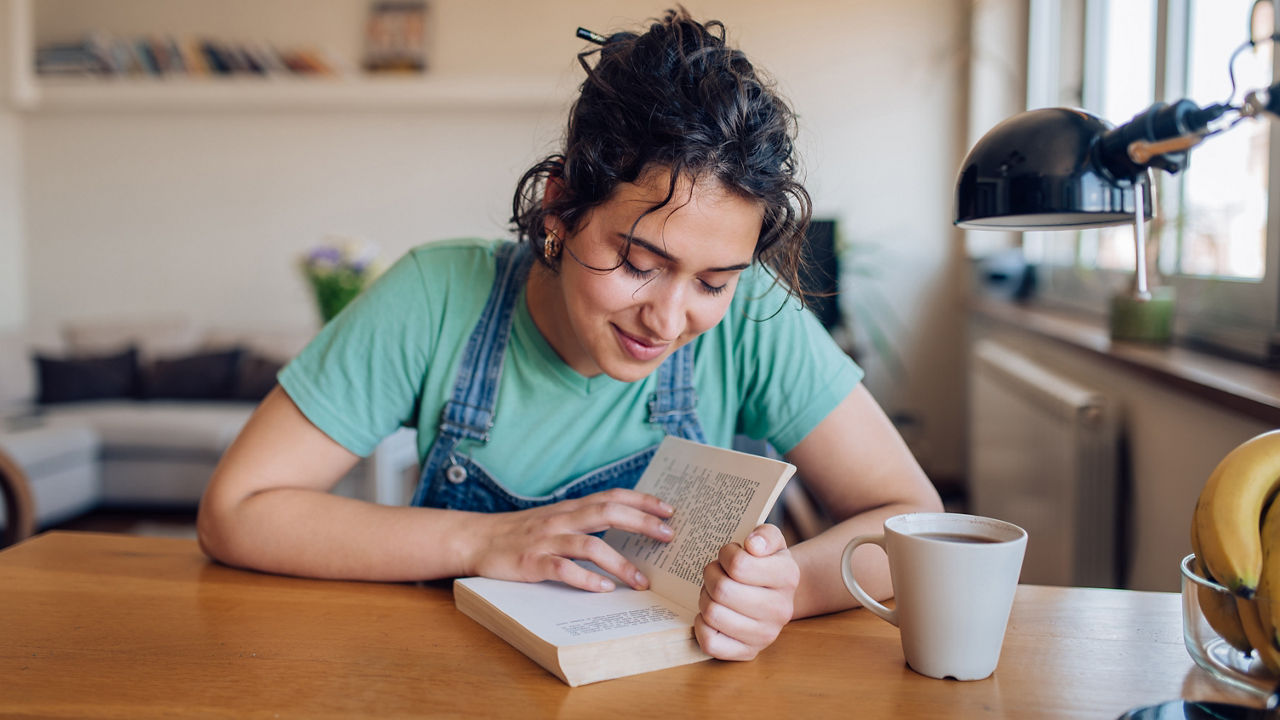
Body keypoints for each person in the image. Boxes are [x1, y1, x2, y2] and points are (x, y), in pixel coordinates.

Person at [197, 8, 942, 663]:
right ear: (559, 211)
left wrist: (789, 591)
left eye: (714, 281)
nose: (669, 317)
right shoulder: (433, 297)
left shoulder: (751, 319)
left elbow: (912, 525)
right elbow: (238, 509)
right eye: (639, 261)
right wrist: (481, 543)